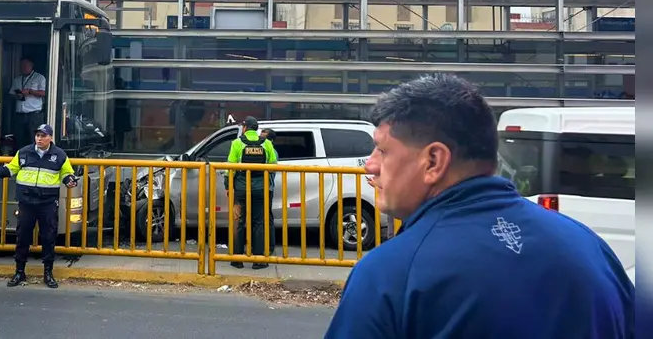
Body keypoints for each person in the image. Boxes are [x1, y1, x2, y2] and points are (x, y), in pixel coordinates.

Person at [324, 74, 634, 339]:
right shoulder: (590, 247)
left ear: (433, 161)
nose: (370, 165)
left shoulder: (392, 274)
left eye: (382, 150)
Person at [0, 123, 77, 289]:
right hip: (27, 202)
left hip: (47, 203)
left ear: (51, 138)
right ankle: (19, 272)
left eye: (43, 136)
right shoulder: (24, 152)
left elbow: (67, 173)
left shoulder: (59, 155)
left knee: (48, 238)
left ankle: (48, 273)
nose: (39, 138)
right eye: (37, 135)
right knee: (22, 237)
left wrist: (70, 181)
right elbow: (11, 169)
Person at [225, 117, 278, 269]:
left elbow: (230, 168)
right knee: (259, 222)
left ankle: (237, 259)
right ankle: (258, 260)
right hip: (260, 189)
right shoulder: (267, 144)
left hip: (241, 188)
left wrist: (228, 186)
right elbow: (273, 166)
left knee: (239, 221)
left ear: (245, 128)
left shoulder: (237, 143)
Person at [10, 57, 46, 145]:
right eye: (22, 65)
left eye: (26, 65)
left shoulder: (39, 78)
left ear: (32, 65)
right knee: (19, 139)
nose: (24, 67)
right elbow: (11, 94)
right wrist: (17, 96)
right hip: (20, 114)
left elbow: (44, 93)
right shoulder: (17, 79)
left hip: (34, 115)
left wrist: (30, 92)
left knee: (34, 139)